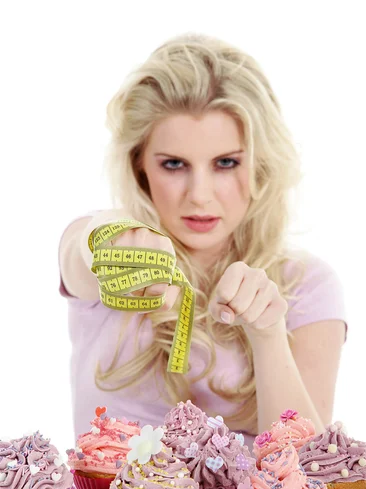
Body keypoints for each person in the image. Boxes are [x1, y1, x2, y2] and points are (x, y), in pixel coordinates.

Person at [59, 33, 346, 448]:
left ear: (261, 162)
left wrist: (267, 336)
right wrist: (112, 244)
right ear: (140, 164)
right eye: (174, 164)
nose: (199, 194)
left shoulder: (309, 285)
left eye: (226, 163)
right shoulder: (109, 249)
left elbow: (304, 477)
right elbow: (80, 252)